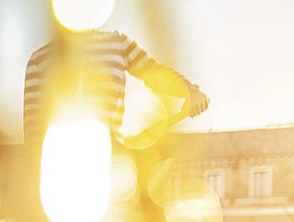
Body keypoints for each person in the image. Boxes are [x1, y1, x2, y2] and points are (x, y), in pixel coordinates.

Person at [23, 27, 209, 142]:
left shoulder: (117, 43)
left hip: (112, 164)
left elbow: (154, 73)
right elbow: (33, 132)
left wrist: (189, 91)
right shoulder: (40, 60)